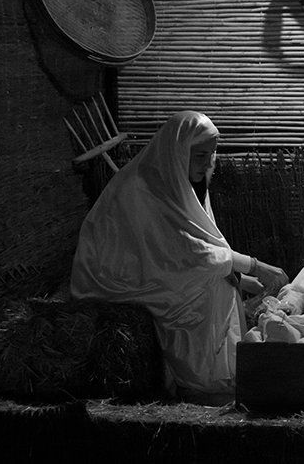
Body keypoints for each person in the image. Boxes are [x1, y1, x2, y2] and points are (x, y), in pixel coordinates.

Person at [70, 110, 288, 403]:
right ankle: (202, 380)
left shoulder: (181, 182)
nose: (208, 163)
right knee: (208, 289)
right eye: (199, 155)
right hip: (122, 276)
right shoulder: (142, 186)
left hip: (160, 268)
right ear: (177, 151)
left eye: (211, 155)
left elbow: (201, 245)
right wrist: (256, 267)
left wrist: (238, 277)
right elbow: (186, 252)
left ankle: (229, 374)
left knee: (220, 283)